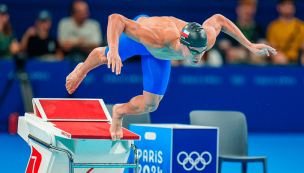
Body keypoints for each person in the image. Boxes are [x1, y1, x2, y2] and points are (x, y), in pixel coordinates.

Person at [65, 14, 276, 141]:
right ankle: (82, 69)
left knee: (151, 105)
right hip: (147, 42)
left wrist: (249, 45)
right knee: (106, 56)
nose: (199, 57)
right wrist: (113, 48)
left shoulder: (204, 40)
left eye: (202, 52)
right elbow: (116, 18)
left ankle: (119, 111)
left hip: (161, 55)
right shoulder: (155, 35)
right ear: (183, 44)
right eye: (194, 52)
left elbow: (219, 19)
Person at [219, 0, 268, 65]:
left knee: (259, 55)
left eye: (250, 8)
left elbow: (263, 43)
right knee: (238, 54)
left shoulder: (258, 28)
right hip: (237, 56)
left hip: (254, 57)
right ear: (238, 9)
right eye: (244, 8)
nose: (247, 10)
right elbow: (224, 44)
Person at [267, 0, 304, 65]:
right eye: (285, 4)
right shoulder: (273, 27)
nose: (288, 6)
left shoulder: (301, 26)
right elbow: (272, 48)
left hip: (297, 60)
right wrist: (278, 56)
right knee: (280, 59)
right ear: (279, 7)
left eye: (290, 4)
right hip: (280, 60)